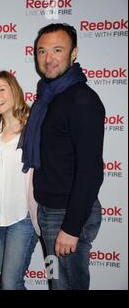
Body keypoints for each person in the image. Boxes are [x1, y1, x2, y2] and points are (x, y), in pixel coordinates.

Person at [21, 23, 105, 290]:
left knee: (68, 285)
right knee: (57, 282)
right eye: (42, 51)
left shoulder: (82, 99)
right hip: (48, 211)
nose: (48, 58)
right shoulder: (48, 97)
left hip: (68, 214)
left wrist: (71, 227)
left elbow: (90, 171)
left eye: (57, 50)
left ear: (74, 53)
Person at [0, 71, 40, 290]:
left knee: (9, 282)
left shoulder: (33, 128)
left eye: (1, 89)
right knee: (7, 279)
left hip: (22, 219)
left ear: (14, 90)